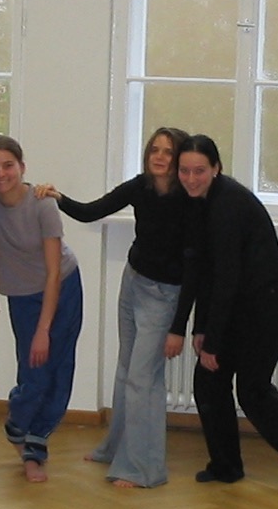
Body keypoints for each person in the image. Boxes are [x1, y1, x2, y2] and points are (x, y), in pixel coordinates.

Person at [176, 135, 278, 491]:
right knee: (209, 381)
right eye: (185, 171)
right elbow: (205, 273)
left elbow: (226, 277)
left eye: (200, 171)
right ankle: (225, 466)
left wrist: (213, 343)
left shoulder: (228, 205)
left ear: (216, 169)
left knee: (252, 390)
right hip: (241, 300)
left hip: (266, 302)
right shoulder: (200, 202)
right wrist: (200, 329)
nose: (191, 178)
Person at [36, 127, 191, 488]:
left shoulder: (189, 201)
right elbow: (92, 212)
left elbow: (197, 265)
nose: (160, 156)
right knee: (126, 371)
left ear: (179, 158)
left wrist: (180, 325)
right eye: (155, 149)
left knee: (143, 380)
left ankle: (143, 469)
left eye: (168, 151)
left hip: (165, 294)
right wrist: (57, 197)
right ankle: (115, 448)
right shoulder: (141, 187)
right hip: (133, 282)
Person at [0, 135, 84, 483]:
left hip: (63, 286)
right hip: (23, 296)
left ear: (22, 167)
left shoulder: (42, 204)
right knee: (35, 373)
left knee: (58, 369)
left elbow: (54, 272)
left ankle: (35, 447)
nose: (1, 174)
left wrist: (45, 329)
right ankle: (17, 423)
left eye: (8, 165)